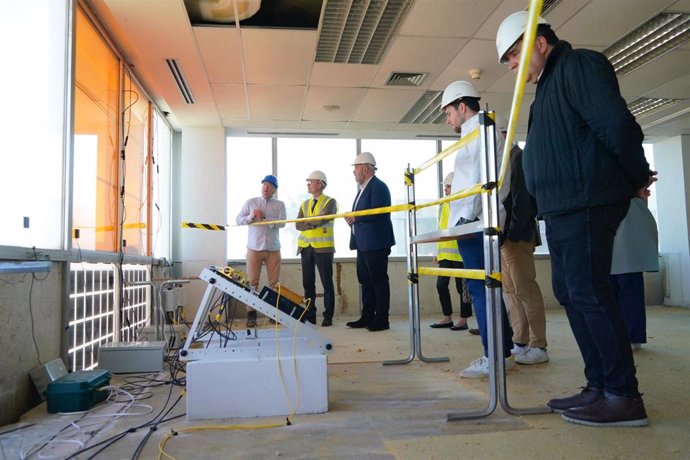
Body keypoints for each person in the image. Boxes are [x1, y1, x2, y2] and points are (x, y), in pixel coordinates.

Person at [496, 11, 653, 426]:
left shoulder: (579, 65)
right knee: (571, 292)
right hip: (563, 207)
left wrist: (636, 176)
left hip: (586, 202)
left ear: (540, 44)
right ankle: (598, 387)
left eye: (514, 56)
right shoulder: (546, 88)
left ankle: (623, 395)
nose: (512, 66)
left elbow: (616, 124)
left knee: (589, 292)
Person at [440, 80, 515, 378]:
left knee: (482, 289)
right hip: (479, 219)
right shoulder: (481, 132)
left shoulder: (480, 132)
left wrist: (465, 219)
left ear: (461, 106)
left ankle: (492, 355)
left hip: (474, 223)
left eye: (448, 113)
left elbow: (478, 181)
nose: (447, 119)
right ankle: (502, 351)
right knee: (488, 288)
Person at [498, 122, 549, 365]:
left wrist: (512, 234)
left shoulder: (518, 157)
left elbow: (522, 201)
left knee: (525, 289)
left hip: (517, 236)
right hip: (505, 237)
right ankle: (520, 340)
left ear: (505, 136)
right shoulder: (503, 161)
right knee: (511, 291)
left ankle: (538, 345)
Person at [345, 152, 396, 332]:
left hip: (376, 243)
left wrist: (356, 219)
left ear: (365, 169)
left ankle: (382, 319)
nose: (354, 173)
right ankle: (367, 316)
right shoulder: (364, 189)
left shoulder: (379, 187)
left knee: (378, 280)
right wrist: (354, 219)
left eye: (356, 168)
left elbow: (378, 212)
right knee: (366, 281)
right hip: (363, 244)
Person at [611, 189, 659, 352]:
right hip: (605, 225)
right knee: (611, 288)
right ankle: (616, 335)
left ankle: (632, 336)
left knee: (628, 285)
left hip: (628, 223)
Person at [236, 174, 287, 327]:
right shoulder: (251, 202)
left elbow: (283, 223)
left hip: (273, 249)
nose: (265, 187)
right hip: (254, 248)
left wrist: (265, 219)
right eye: (264, 184)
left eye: (269, 185)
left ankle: (273, 314)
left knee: (274, 283)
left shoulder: (279, 205)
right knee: (252, 282)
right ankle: (251, 314)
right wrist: (251, 217)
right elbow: (238, 220)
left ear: (274, 189)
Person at [429, 172, 475, 332]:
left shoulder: (462, 203)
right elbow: (440, 228)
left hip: (460, 253)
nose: (446, 190)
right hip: (445, 254)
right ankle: (447, 317)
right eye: (445, 187)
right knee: (441, 285)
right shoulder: (443, 205)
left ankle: (463, 319)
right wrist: (436, 251)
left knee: (461, 289)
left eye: (448, 186)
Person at [295, 170, 338, 327]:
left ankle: (328, 317)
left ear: (320, 183)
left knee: (327, 283)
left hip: (323, 248)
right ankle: (310, 315)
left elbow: (323, 220)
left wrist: (310, 221)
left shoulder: (330, 202)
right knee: (308, 283)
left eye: (310, 181)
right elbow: (298, 224)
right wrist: (313, 220)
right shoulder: (304, 204)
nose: (308, 184)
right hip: (306, 247)